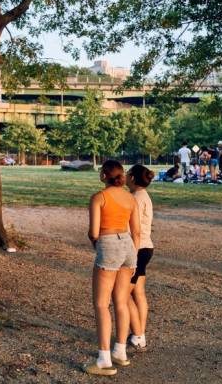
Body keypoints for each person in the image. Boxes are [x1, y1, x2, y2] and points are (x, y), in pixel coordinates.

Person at [84, 160, 141, 376]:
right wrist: (133, 258)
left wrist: (97, 246)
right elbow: (136, 231)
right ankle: (120, 352)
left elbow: (94, 232)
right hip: (128, 246)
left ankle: (103, 359)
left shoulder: (99, 197)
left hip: (109, 244)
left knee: (101, 304)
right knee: (121, 301)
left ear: (103, 175)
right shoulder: (130, 198)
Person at [126, 164, 155, 351]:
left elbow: (132, 228)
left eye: (128, 174)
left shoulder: (135, 198)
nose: (125, 177)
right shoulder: (144, 196)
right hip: (147, 247)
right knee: (138, 292)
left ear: (133, 178)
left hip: (137, 248)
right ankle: (140, 334)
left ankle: (137, 335)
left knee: (123, 294)